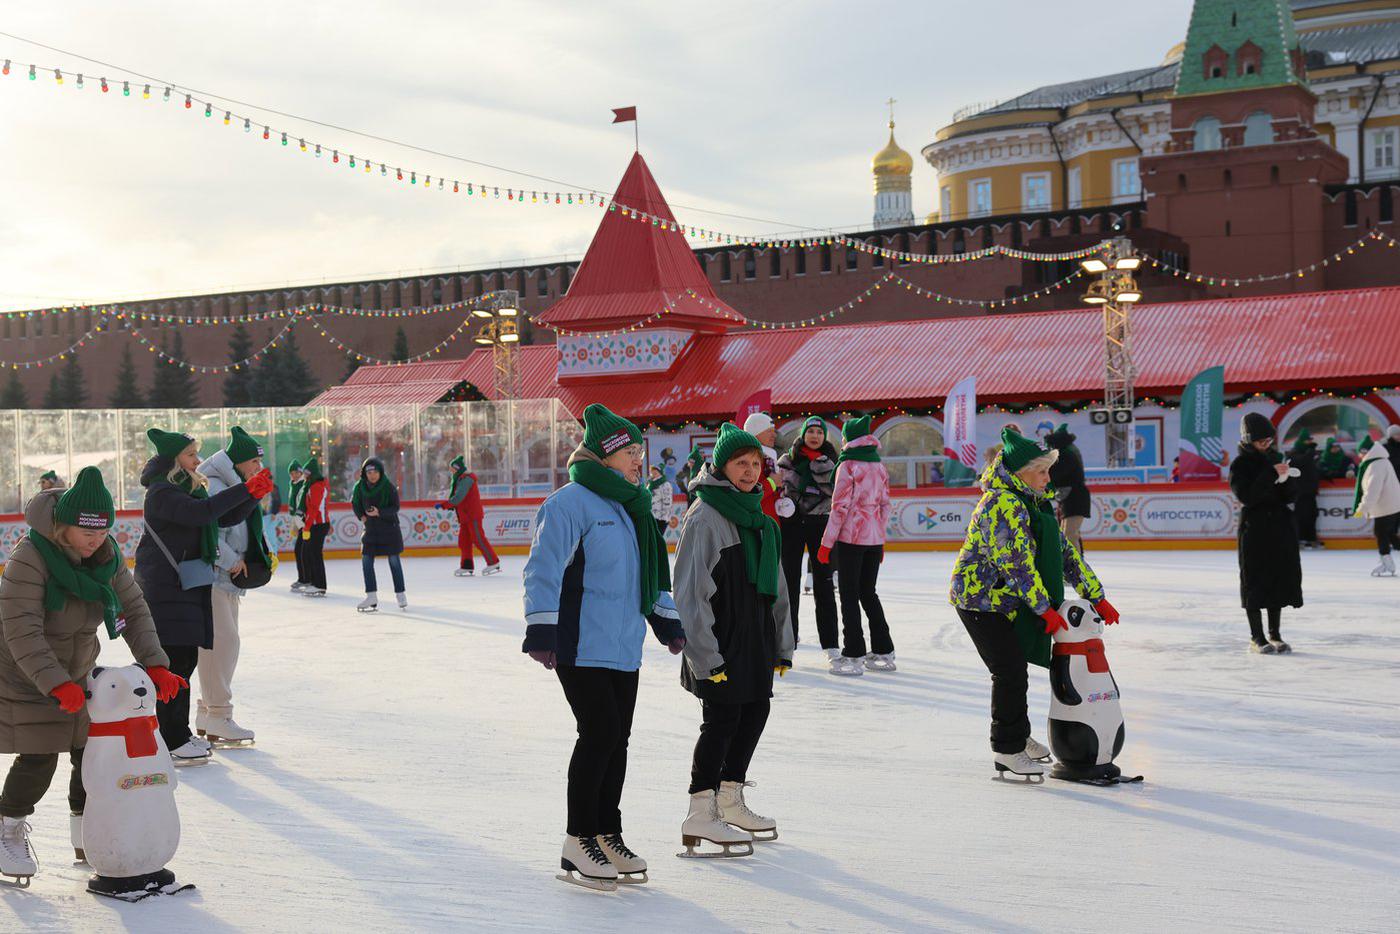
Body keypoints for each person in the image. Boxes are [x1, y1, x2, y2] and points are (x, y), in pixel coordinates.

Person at [522, 404, 684, 890]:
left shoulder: (631, 505)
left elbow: (645, 574)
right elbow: (543, 571)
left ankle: (607, 833)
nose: (640, 460)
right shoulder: (568, 504)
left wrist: (666, 620)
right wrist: (542, 631)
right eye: (631, 452)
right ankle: (578, 839)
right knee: (600, 733)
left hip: (622, 643)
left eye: (641, 451)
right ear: (607, 455)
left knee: (618, 739)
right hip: (580, 642)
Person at [0, 468, 184, 883]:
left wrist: (156, 663)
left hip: (77, 668)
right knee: (40, 752)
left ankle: (89, 831)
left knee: (91, 750)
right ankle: (7, 827)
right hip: (22, 670)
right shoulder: (28, 557)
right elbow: (21, 630)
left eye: (103, 532)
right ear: (62, 525)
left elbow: (134, 609)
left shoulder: (106, 556)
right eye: (87, 532)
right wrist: (53, 682)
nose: (96, 540)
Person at [950, 428, 1114, 780]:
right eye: (1041, 471)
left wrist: (1096, 595)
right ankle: (1007, 749)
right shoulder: (1001, 503)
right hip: (980, 599)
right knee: (1008, 670)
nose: (1047, 477)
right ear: (1020, 472)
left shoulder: (1034, 502)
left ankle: (1017, 736)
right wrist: (1045, 610)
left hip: (1003, 599)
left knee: (1014, 670)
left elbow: (1065, 554)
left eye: (1048, 470)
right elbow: (1017, 565)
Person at [676, 423, 792, 857]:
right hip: (718, 642)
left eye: (755, 464)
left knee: (754, 713)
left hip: (755, 640)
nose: (748, 472)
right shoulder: (704, 516)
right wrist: (706, 656)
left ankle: (729, 798)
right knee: (722, 722)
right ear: (722, 466)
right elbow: (690, 594)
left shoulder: (761, 520)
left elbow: (777, 589)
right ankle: (700, 811)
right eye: (739, 464)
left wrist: (782, 644)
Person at [136, 428, 271, 763]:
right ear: (173, 460)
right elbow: (202, 514)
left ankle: (172, 734)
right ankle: (171, 737)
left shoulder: (185, 488)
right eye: (191, 455)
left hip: (185, 583)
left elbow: (221, 517)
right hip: (165, 586)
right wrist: (245, 489)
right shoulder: (162, 493)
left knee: (184, 660)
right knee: (174, 661)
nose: (198, 460)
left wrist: (252, 496)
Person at [197, 427, 274, 747]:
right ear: (238, 462)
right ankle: (218, 713)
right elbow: (208, 531)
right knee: (221, 644)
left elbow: (243, 526)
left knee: (222, 644)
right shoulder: (215, 485)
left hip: (226, 578)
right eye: (253, 462)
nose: (258, 468)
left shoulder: (236, 484)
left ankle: (208, 713)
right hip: (215, 575)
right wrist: (229, 560)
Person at [818, 415, 894, 675]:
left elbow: (839, 507)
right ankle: (884, 649)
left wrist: (826, 543)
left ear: (849, 438)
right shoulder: (879, 466)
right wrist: (880, 540)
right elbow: (885, 506)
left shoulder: (848, 465)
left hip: (851, 538)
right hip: (873, 539)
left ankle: (853, 653)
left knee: (849, 594)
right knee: (868, 592)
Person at [1229, 413, 1302, 654]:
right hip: (1255, 529)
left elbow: (1289, 496)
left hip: (1279, 527)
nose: (1266, 445)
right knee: (1254, 581)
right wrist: (1271, 475)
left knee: (1278, 579)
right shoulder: (1240, 465)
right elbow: (1246, 496)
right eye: (1261, 441)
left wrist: (1286, 480)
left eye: (1268, 441)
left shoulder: (1275, 458)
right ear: (1249, 440)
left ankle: (1275, 634)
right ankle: (1256, 636)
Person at [776, 415, 838, 649]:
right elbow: (778, 489)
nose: (815, 436)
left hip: (819, 524)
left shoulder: (832, 462)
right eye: (811, 431)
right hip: (791, 524)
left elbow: (837, 494)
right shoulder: (787, 461)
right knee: (789, 583)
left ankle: (831, 643)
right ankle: (788, 638)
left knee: (824, 583)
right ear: (803, 434)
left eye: (819, 432)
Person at [352, 458, 407, 612]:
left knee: (394, 561)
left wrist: (380, 512)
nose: (372, 475)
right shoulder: (359, 487)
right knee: (366, 561)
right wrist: (361, 515)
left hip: (389, 528)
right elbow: (355, 503)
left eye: (375, 471)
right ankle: (371, 595)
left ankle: (400, 593)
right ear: (365, 473)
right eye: (369, 472)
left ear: (380, 472)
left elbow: (395, 507)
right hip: (370, 530)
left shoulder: (388, 487)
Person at [435, 455, 500, 578]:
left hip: (472, 514)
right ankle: (467, 565)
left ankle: (493, 562)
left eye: (452, 469)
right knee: (464, 542)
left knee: (478, 539)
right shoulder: (460, 479)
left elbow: (459, 497)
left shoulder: (467, 479)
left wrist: (445, 505)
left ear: (457, 468)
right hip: (465, 515)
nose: (451, 471)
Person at [1353, 433, 1400, 577]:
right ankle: (1386, 561)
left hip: (1385, 507)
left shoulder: (1375, 465)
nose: (1360, 456)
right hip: (1391, 505)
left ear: (1366, 452)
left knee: (1381, 534)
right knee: (1389, 534)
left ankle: (1386, 562)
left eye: (1361, 453)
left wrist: (1363, 508)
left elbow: (1373, 490)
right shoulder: (1380, 461)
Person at [741, 413, 795, 523]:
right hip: (757, 525)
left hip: (768, 523)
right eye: (769, 431)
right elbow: (749, 496)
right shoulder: (748, 460)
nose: (774, 435)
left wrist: (780, 503)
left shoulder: (768, 458)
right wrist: (772, 482)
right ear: (756, 433)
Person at [1045, 424, 1090, 553]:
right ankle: (1075, 562)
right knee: (1067, 534)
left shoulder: (1066, 455)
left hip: (1075, 498)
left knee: (1070, 534)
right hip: (1070, 497)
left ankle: (1076, 565)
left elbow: (1055, 474)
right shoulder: (1068, 453)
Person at [299, 457, 330, 598]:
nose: (304, 476)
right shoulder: (312, 485)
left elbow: (313, 508)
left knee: (315, 554)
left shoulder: (316, 486)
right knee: (310, 553)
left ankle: (320, 585)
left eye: (306, 473)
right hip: (316, 524)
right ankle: (314, 582)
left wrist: (307, 526)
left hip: (318, 525)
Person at [1289, 430, 1323, 549]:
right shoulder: (1294, 453)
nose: (1309, 443)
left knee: (1312, 515)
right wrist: (1311, 452)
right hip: (1300, 491)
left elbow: (1313, 469)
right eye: (1307, 441)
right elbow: (1301, 461)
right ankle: (1300, 539)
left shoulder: (1310, 454)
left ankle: (1311, 538)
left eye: (1310, 441)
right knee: (1301, 516)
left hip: (1310, 491)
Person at [285, 460, 309, 591]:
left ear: (301, 473)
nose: (294, 475)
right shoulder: (293, 484)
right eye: (291, 473)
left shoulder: (302, 484)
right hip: (297, 521)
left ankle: (305, 578)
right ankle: (303, 578)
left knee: (301, 551)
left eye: (296, 472)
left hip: (304, 521)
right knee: (299, 550)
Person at [648, 464, 672, 539]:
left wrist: (664, 518)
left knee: (657, 539)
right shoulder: (650, 484)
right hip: (651, 516)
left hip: (660, 518)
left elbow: (667, 502)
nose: (653, 475)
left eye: (655, 473)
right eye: (652, 473)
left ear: (660, 473)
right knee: (652, 539)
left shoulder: (665, 484)